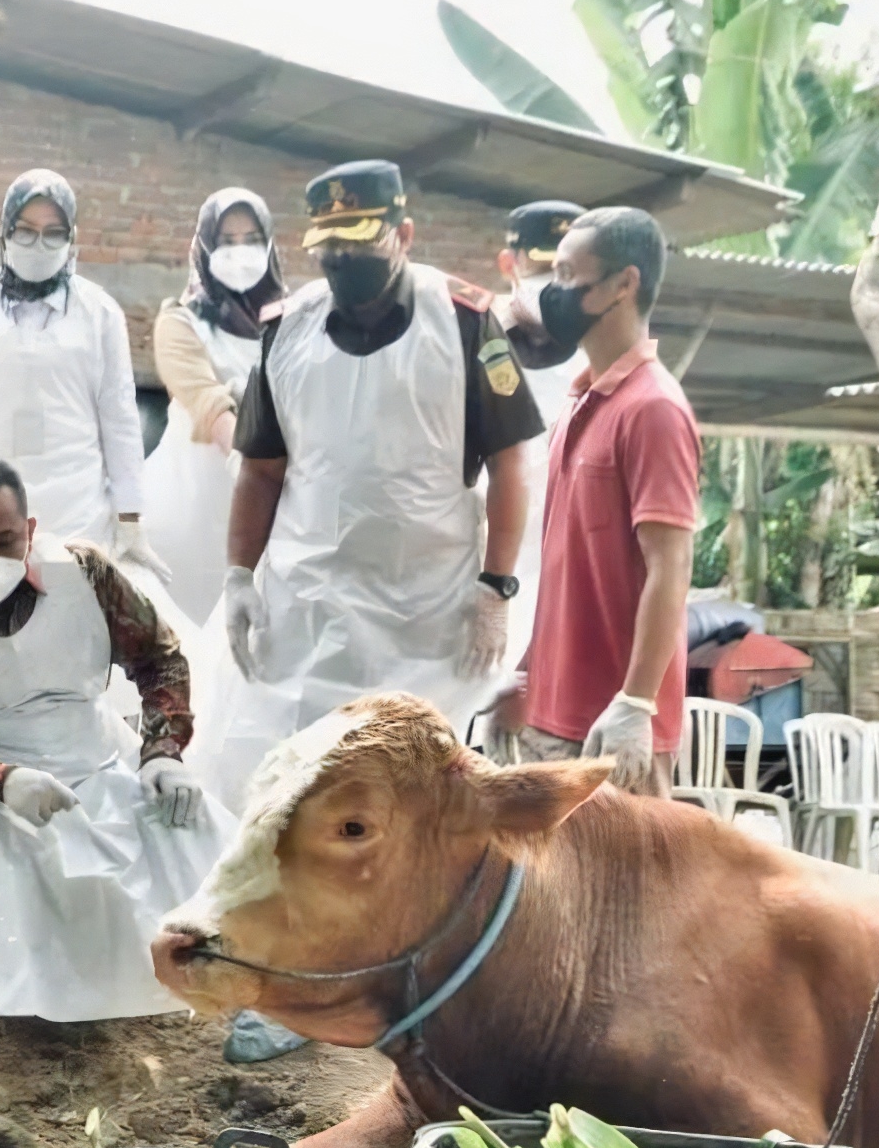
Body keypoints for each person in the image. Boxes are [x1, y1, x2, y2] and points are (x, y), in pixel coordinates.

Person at [192, 159, 543, 810]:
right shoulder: (286, 328)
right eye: (330, 245)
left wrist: (496, 587)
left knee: (411, 796)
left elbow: (509, 463)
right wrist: (238, 574)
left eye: (361, 239)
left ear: (403, 234)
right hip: (310, 604)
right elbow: (261, 470)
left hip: (425, 611)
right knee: (298, 790)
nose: (344, 257)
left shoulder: (463, 322)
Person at [0, 458, 226, 1023]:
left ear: (32, 531)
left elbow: (158, 657)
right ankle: (18, 1016)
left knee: (189, 833)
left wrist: (163, 752)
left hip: (94, 750)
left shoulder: (85, 575)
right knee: (0, 859)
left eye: (5, 540)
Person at [503, 206, 698, 796]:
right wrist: (523, 675)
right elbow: (567, 566)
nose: (553, 292)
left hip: (609, 729)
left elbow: (672, 566)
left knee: (625, 891)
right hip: (550, 713)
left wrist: (636, 703)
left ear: (624, 284)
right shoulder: (581, 400)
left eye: (567, 276)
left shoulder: (653, 409)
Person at [0, 170, 171, 581]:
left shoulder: (99, 314)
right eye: (26, 231)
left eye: (53, 233)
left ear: (71, 239)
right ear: (4, 233)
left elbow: (119, 419)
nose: (38, 245)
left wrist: (131, 515)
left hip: (77, 513)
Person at [143, 188, 286, 623]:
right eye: (226, 241)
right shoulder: (180, 322)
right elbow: (208, 403)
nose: (239, 253)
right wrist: (249, 464)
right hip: (193, 506)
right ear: (204, 248)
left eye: (251, 240)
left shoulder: (289, 323)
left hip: (271, 504)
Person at [481, 199, 585, 756]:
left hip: (567, 570)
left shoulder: (600, 353)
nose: (553, 285)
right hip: (486, 566)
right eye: (542, 269)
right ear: (509, 263)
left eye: (566, 273)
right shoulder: (472, 341)